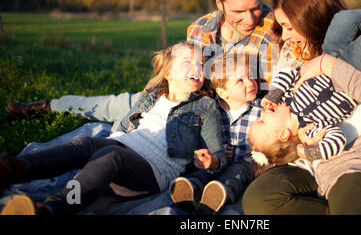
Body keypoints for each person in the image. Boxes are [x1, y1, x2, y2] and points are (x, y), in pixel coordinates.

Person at [5, 0, 279, 123]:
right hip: (188, 104)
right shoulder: (199, 29)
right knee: (124, 104)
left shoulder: (276, 29)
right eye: (238, 11)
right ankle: (52, 106)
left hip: (238, 117)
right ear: (219, 2)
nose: (249, 17)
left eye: (255, 7)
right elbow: (187, 76)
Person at [242, 0, 361, 215]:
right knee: (258, 202)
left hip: (360, 161)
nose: (285, 36)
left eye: (289, 26)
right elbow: (285, 109)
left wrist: (328, 65)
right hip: (309, 163)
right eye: (282, 27)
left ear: (312, 19)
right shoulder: (293, 50)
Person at [0, 41, 226, 215]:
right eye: (188, 62)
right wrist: (52, 106)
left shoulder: (205, 107)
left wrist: (211, 161)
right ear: (168, 73)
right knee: (89, 143)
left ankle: (51, 210)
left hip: (150, 172)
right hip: (120, 148)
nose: (197, 68)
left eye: (201, 64)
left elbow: (217, 155)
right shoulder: (151, 96)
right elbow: (112, 111)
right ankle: (14, 169)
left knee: (111, 155)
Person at [169, 52, 262, 215]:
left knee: (235, 177)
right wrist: (212, 153)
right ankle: (190, 190)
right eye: (240, 80)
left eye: (250, 76)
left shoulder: (261, 110)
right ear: (223, 93)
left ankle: (216, 197)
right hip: (215, 160)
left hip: (244, 163)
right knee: (202, 171)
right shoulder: (211, 110)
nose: (251, 82)